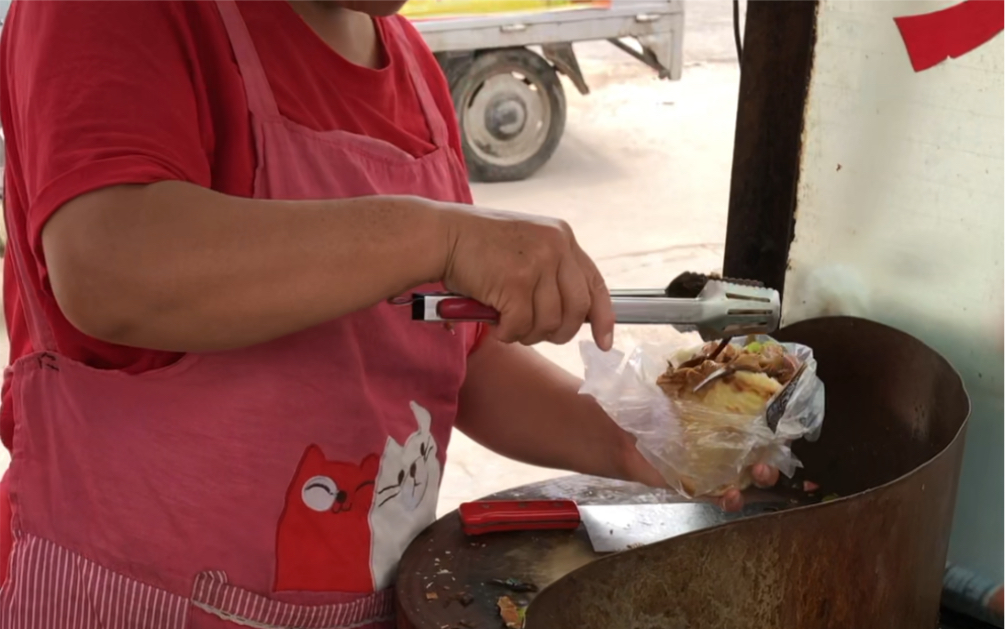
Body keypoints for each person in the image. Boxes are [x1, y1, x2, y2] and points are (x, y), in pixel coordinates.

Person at [0, 1, 778, 626]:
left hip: (360, 600)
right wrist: (435, 233)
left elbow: (453, 355)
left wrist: (637, 438)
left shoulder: (407, 65)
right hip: (132, 597)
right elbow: (113, 268)